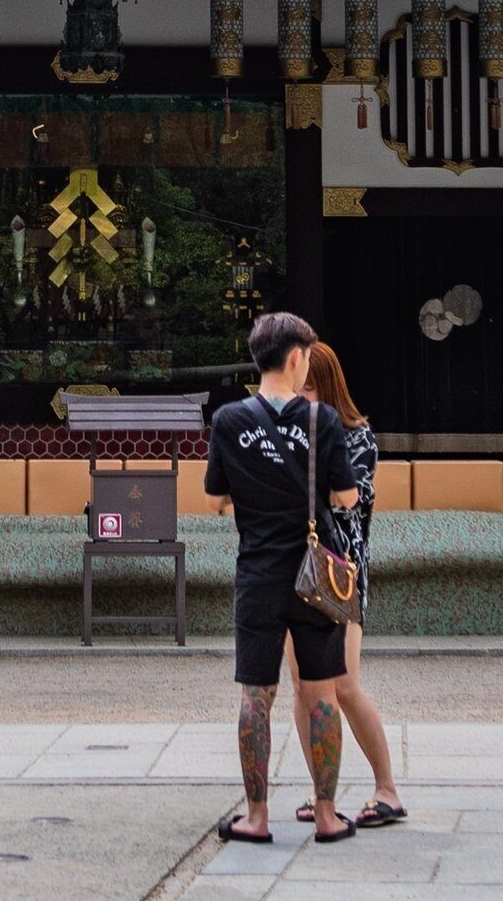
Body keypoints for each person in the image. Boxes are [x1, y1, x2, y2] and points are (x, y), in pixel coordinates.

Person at [204, 309, 358, 847]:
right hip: (314, 576)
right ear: (296, 358)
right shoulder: (322, 420)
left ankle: (257, 817)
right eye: (307, 358)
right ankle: (327, 815)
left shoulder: (228, 421)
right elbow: (347, 497)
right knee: (321, 693)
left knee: (256, 694)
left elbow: (215, 499)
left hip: (259, 574)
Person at [303, 340, 404, 828]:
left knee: (343, 685)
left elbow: (348, 498)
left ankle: (387, 789)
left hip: (340, 572)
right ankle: (323, 794)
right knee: (305, 688)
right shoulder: (286, 432)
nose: (299, 395)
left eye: (307, 386)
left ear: (326, 385)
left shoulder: (356, 436)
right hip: (293, 568)